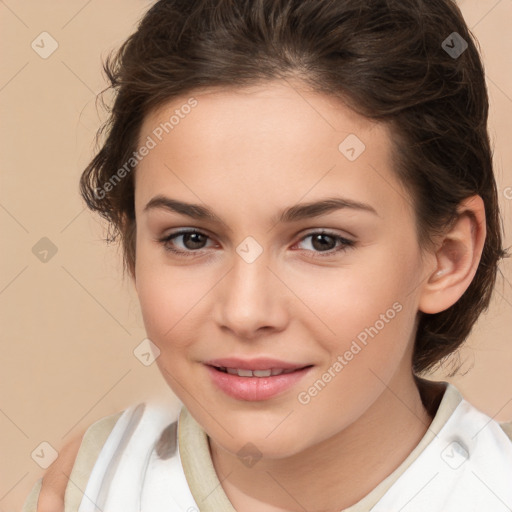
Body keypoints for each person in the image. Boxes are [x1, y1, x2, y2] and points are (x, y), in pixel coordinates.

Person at [24, 0, 512, 510]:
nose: (245, 312)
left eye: (322, 240)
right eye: (190, 239)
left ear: (446, 257)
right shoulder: (87, 487)